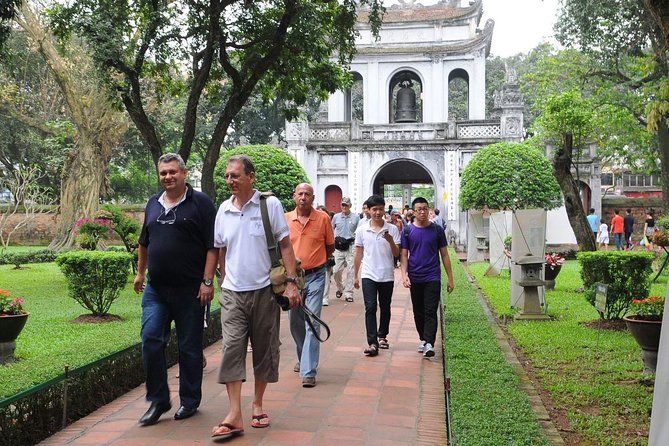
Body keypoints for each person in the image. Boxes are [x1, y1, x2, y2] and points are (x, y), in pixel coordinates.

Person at [211, 154, 301, 439]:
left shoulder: (269, 205)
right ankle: (234, 413)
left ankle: (258, 404)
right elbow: (220, 248)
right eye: (227, 176)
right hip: (233, 294)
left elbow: (286, 246)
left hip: (264, 290)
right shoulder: (223, 210)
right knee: (232, 348)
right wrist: (223, 279)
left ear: (251, 177)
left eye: (235, 175)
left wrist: (291, 283)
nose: (230, 181)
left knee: (264, 348)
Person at [133, 153, 218, 426]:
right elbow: (144, 242)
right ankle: (158, 400)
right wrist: (140, 273)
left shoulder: (201, 203)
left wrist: (207, 281)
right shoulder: (153, 204)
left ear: (184, 173)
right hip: (156, 290)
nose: (168, 177)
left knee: (189, 347)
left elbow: (212, 245)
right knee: (150, 340)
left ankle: (190, 401)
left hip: (190, 291)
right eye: (163, 173)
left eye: (172, 172)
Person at [285, 184, 335, 388]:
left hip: (315, 275)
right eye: (300, 194)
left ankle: (308, 370)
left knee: (313, 321)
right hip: (292, 278)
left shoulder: (323, 218)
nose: (303, 197)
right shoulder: (285, 218)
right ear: (294, 196)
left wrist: (318, 260)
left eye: (307, 194)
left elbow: (330, 246)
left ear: (313, 198)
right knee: (294, 322)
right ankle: (303, 355)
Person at [400, 197, 455, 359]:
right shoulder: (408, 231)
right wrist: (404, 275)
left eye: (425, 208)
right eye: (419, 209)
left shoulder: (437, 230)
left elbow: (444, 255)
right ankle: (423, 338)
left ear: (429, 209)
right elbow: (404, 255)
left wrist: (450, 279)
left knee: (431, 310)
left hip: (432, 276)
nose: (422, 212)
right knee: (418, 311)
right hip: (415, 276)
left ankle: (429, 343)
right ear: (414, 212)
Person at [353, 194, 400, 357]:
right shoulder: (361, 230)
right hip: (368, 274)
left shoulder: (392, 229)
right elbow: (358, 253)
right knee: (370, 307)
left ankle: (383, 336)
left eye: (380, 209)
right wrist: (355, 275)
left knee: (385, 306)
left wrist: (390, 240)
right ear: (368, 210)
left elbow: (396, 253)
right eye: (374, 210)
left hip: (386, 274)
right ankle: (372, 342)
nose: (378, 213)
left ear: (384, 209)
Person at [332, 197, 360, 302]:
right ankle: (340, 288)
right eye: (342, 205)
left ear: (350, 206)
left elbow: (359, 231)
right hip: (338, 248)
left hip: (351, 246)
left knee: (351, 271)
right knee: (335, 271)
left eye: (346, 205)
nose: (344, 207)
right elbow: (331, 229)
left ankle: (349, 293)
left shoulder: (356, 217)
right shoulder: (336, 217)